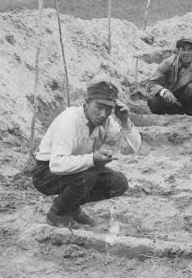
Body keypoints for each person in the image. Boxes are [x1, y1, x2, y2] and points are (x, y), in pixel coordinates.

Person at [32, 80, 141, 227]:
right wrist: (92, 159)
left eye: (109, 109)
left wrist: (125, 121)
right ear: (87, 102)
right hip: (46, 174)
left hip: (74, 170)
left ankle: (71, 206)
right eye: (99, 107)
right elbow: (57, 164)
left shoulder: (106, 122)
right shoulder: (70, 120)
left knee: (118, 182)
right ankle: (57, 213)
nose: (103, 114)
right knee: (88, 174)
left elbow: (131, 148)